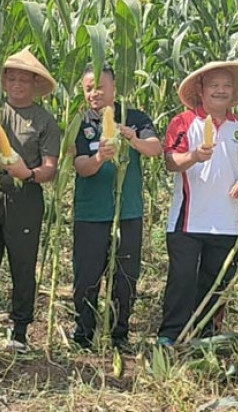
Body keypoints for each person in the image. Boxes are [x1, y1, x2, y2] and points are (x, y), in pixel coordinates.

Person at [0, 48, 60, 352]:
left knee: (22, 265)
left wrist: (27, 173)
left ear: (34, 84)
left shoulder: (45, 120)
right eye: (12, 78)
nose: (17, 84)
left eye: (24, 79)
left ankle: (19, 333)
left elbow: (50, 168)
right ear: (3, 81)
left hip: (26, 197)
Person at [157, 61, 238, 345]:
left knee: (216, 283)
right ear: (201, 90)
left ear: (233, 92)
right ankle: (170, 335)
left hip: (227, 220)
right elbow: (169, 161)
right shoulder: (184, 122)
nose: (220, 91)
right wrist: (193, 157)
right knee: (182, 280)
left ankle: (206, 336)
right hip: (188, 219)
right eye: (214, 85)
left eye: (226, 86)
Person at [72, 64, 162, 350]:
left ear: (114, 88)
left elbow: (155, 149)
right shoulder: (79, 122)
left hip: (127, 212)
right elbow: (79, 166)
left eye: (99, 86)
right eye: (88, 89)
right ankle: (84, 335)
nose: (94, 93)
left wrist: (131, 138)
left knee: (125, 277)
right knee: (87, 276)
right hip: (91, 213)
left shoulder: (134, 118)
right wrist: (99, 158)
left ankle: (118, 334)